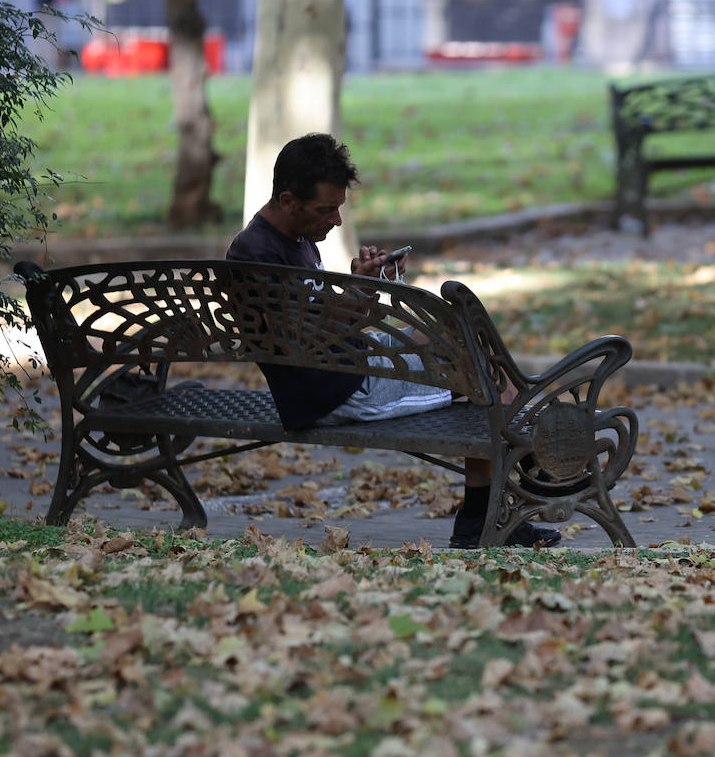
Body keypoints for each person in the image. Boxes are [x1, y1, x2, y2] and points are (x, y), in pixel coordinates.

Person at [226, 133, 560, 549]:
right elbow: (302, 344)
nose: (336, 221)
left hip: (347, 368)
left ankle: (517, 473)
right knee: (478, 376)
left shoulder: (295, 240)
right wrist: (357, 293)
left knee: (460, 330)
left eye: (339, 208)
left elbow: (323, 326)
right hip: (336, 395)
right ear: (289, 200)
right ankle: (524, 472)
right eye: (326, 210)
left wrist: (366, 285)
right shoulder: (255, 256)